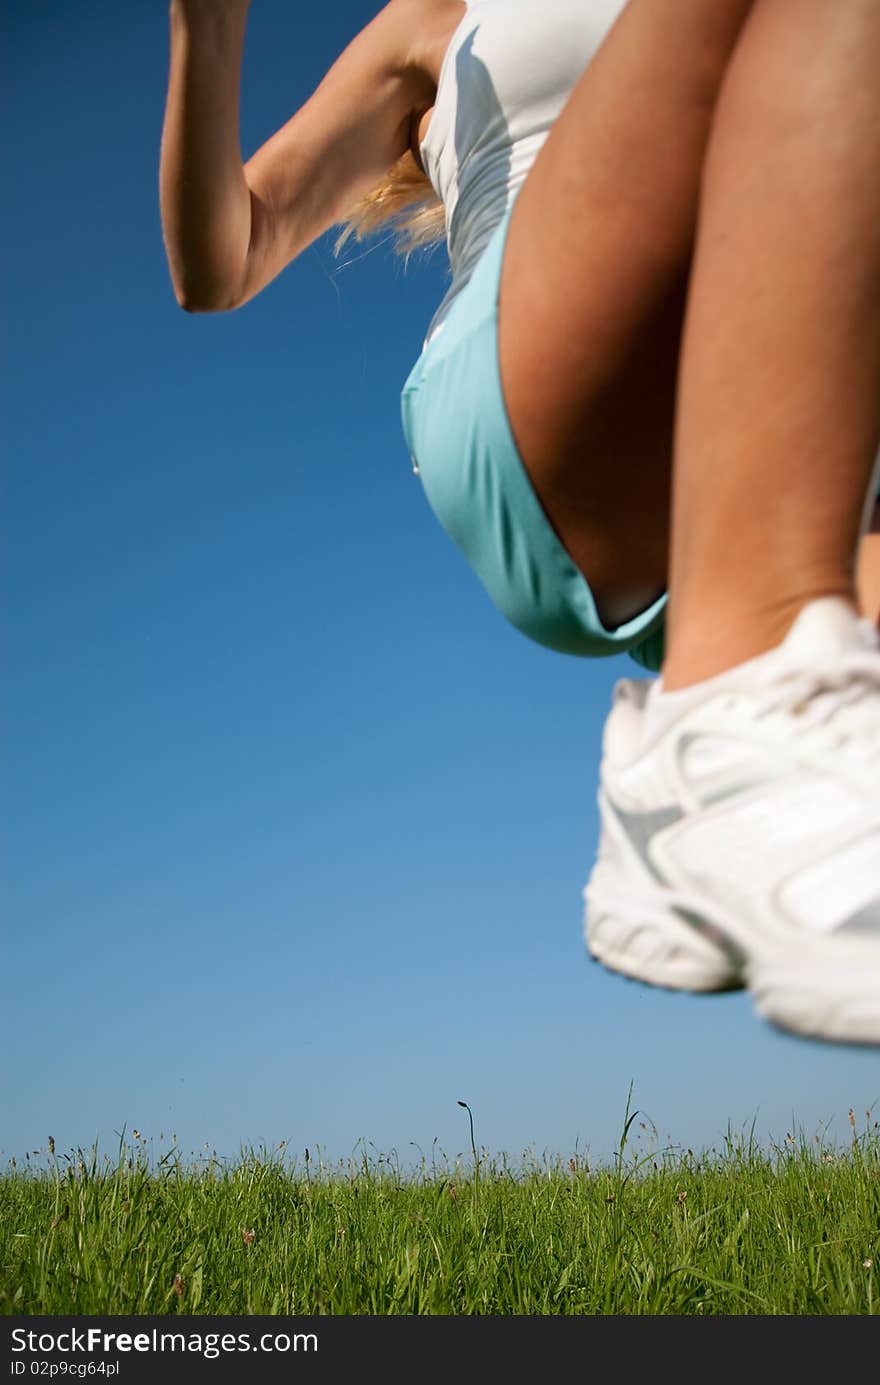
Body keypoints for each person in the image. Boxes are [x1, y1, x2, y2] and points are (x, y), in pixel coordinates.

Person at [160, 0, 880, 1045]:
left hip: (768, 445)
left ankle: (707, 755)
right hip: (529, 383)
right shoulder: (433, 22)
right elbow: (225, 258)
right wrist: (208, 37)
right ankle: (720, 700)